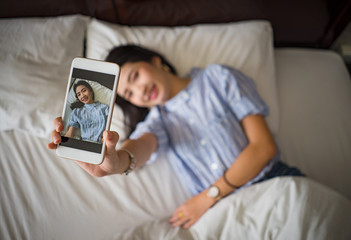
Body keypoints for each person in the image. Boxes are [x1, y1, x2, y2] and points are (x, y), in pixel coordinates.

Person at [48, 44, 303, 229]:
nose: (139, 90)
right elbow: (137, 148)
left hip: (273, 185)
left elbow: (264, 147)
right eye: (129, 93)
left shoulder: (217, 78)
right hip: (226, 216)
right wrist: (115, 163)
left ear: (156, 61)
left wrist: (208, 197)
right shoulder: (158, 123)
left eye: (135, 76)